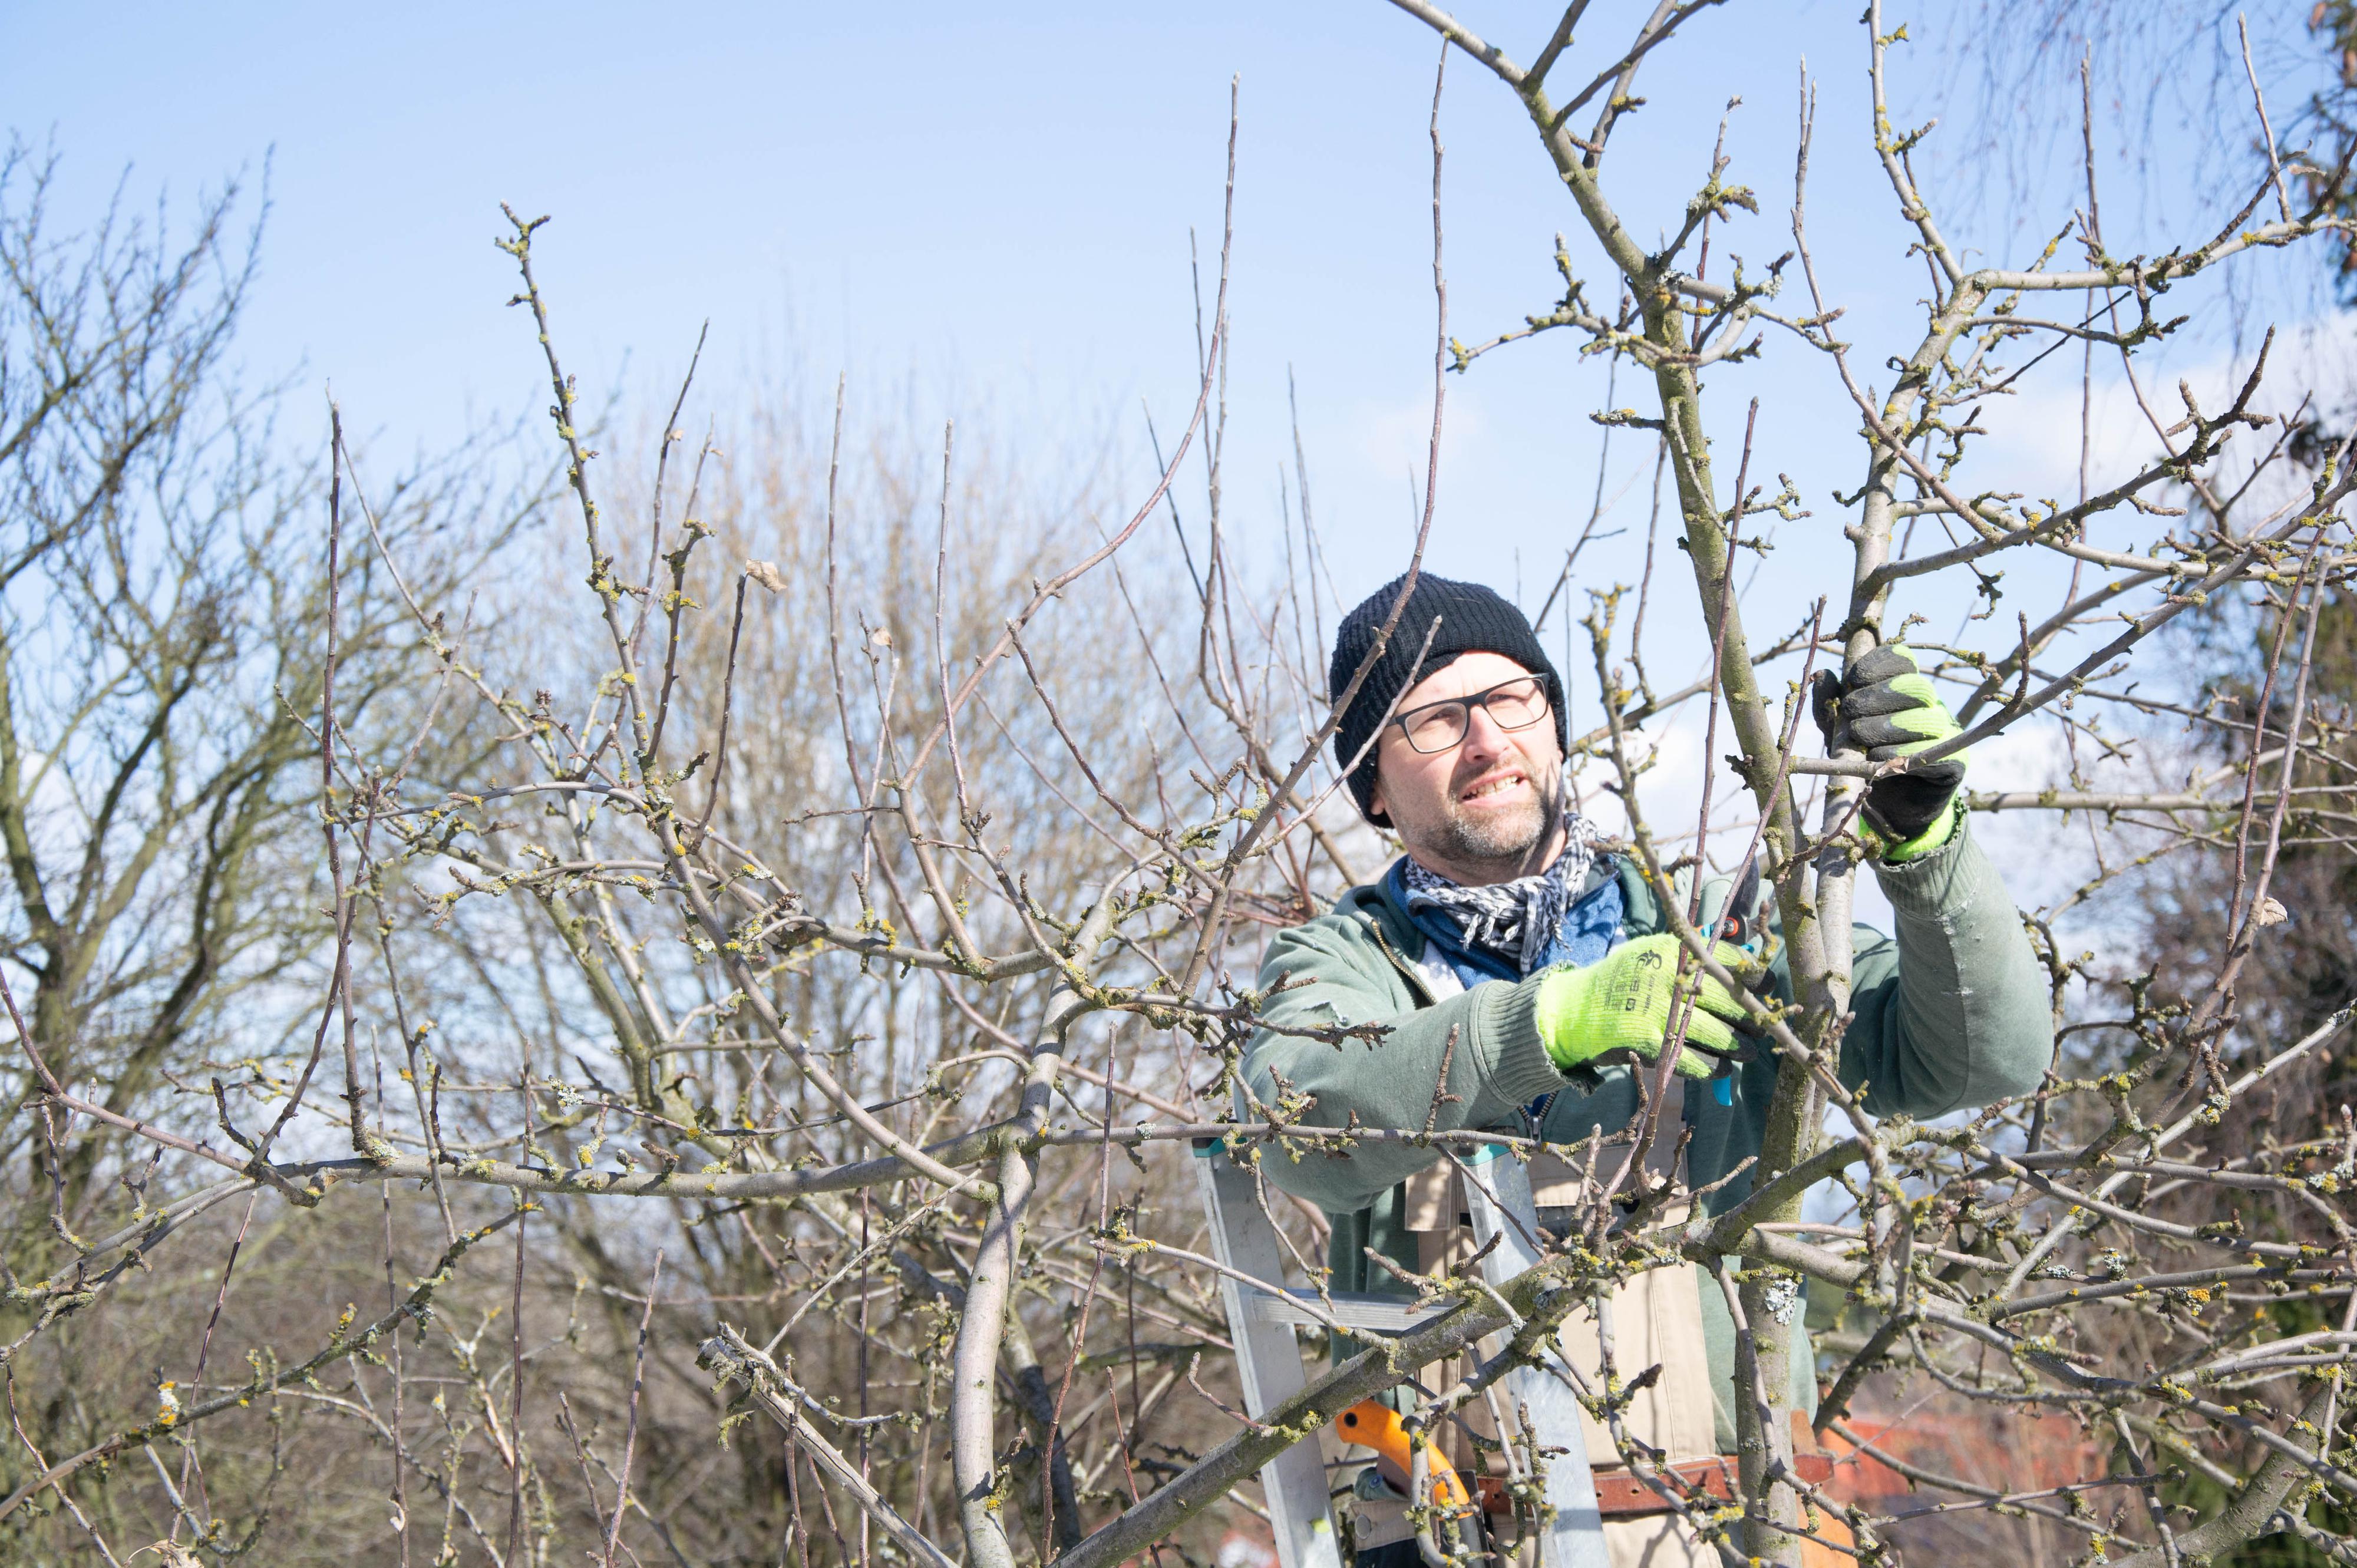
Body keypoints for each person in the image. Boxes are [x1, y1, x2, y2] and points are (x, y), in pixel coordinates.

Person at [1242, 573, 2052, 1567]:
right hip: (1450, 1537)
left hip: (1729, 1527)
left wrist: (1926, 844)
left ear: (1555, 724)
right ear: (1373, 782)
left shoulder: (1724, 931)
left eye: (1509, 699)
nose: (1487, 739)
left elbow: (1988, 1054)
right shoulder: (1346, 966)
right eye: (1434, 720)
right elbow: (1300, 1126)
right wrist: (1553, 1019)